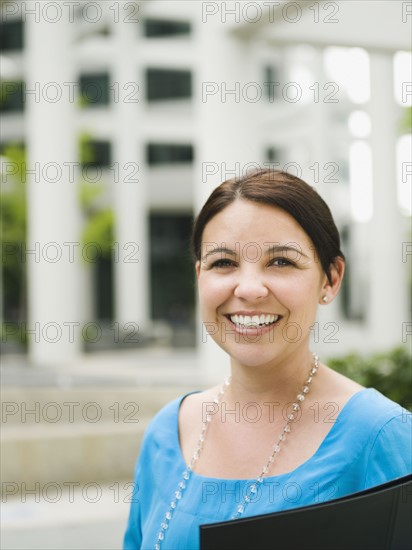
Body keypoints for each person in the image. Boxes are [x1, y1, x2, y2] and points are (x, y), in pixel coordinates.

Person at [123, 169, 411, 550]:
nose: (250, 289)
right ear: (199, 277)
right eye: (223, 263)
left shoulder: (381, 435)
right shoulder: (168, 432)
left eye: (281, 262)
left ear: (330, 278)